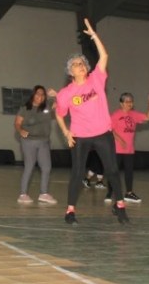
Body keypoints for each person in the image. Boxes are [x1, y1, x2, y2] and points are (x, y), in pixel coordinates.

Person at [55, 18, 128, 225]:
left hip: (102, 133)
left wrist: (94, 36)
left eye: (83, 63)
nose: (81, 66)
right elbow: (59, 114)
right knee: (77, 174)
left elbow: (104, 55)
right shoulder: (65, 93)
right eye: (77, 64)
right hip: (80, 136)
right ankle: (70, 211)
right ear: (71, 71)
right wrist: (66, 132)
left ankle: (120, 205)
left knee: (112, 169)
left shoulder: (97, 78)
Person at [106, 92, 149, 203]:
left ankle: (129, 193)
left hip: (129, 150)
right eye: (127, 101)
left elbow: (147, 117)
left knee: (129, 171)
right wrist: (120, 139)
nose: (130, 104)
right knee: (114, 171)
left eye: (131, 101)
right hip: (117, 149)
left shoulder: (134, 115)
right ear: (121, 103)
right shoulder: (115, 115)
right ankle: (109, 192)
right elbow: (110, 130)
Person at [15, 85, 58, 204]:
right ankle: (23, 194)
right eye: (38, 94)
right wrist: (20, 130)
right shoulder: (25, 108)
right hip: (29, 141)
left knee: (46, 167)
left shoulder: (47, 106)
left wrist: (57, 95)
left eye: (43, 94)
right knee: (29, 166)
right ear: (33, 95)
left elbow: (62, 105)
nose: (40, 96)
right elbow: (18, 123)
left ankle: (43, 194)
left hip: (44, 141)